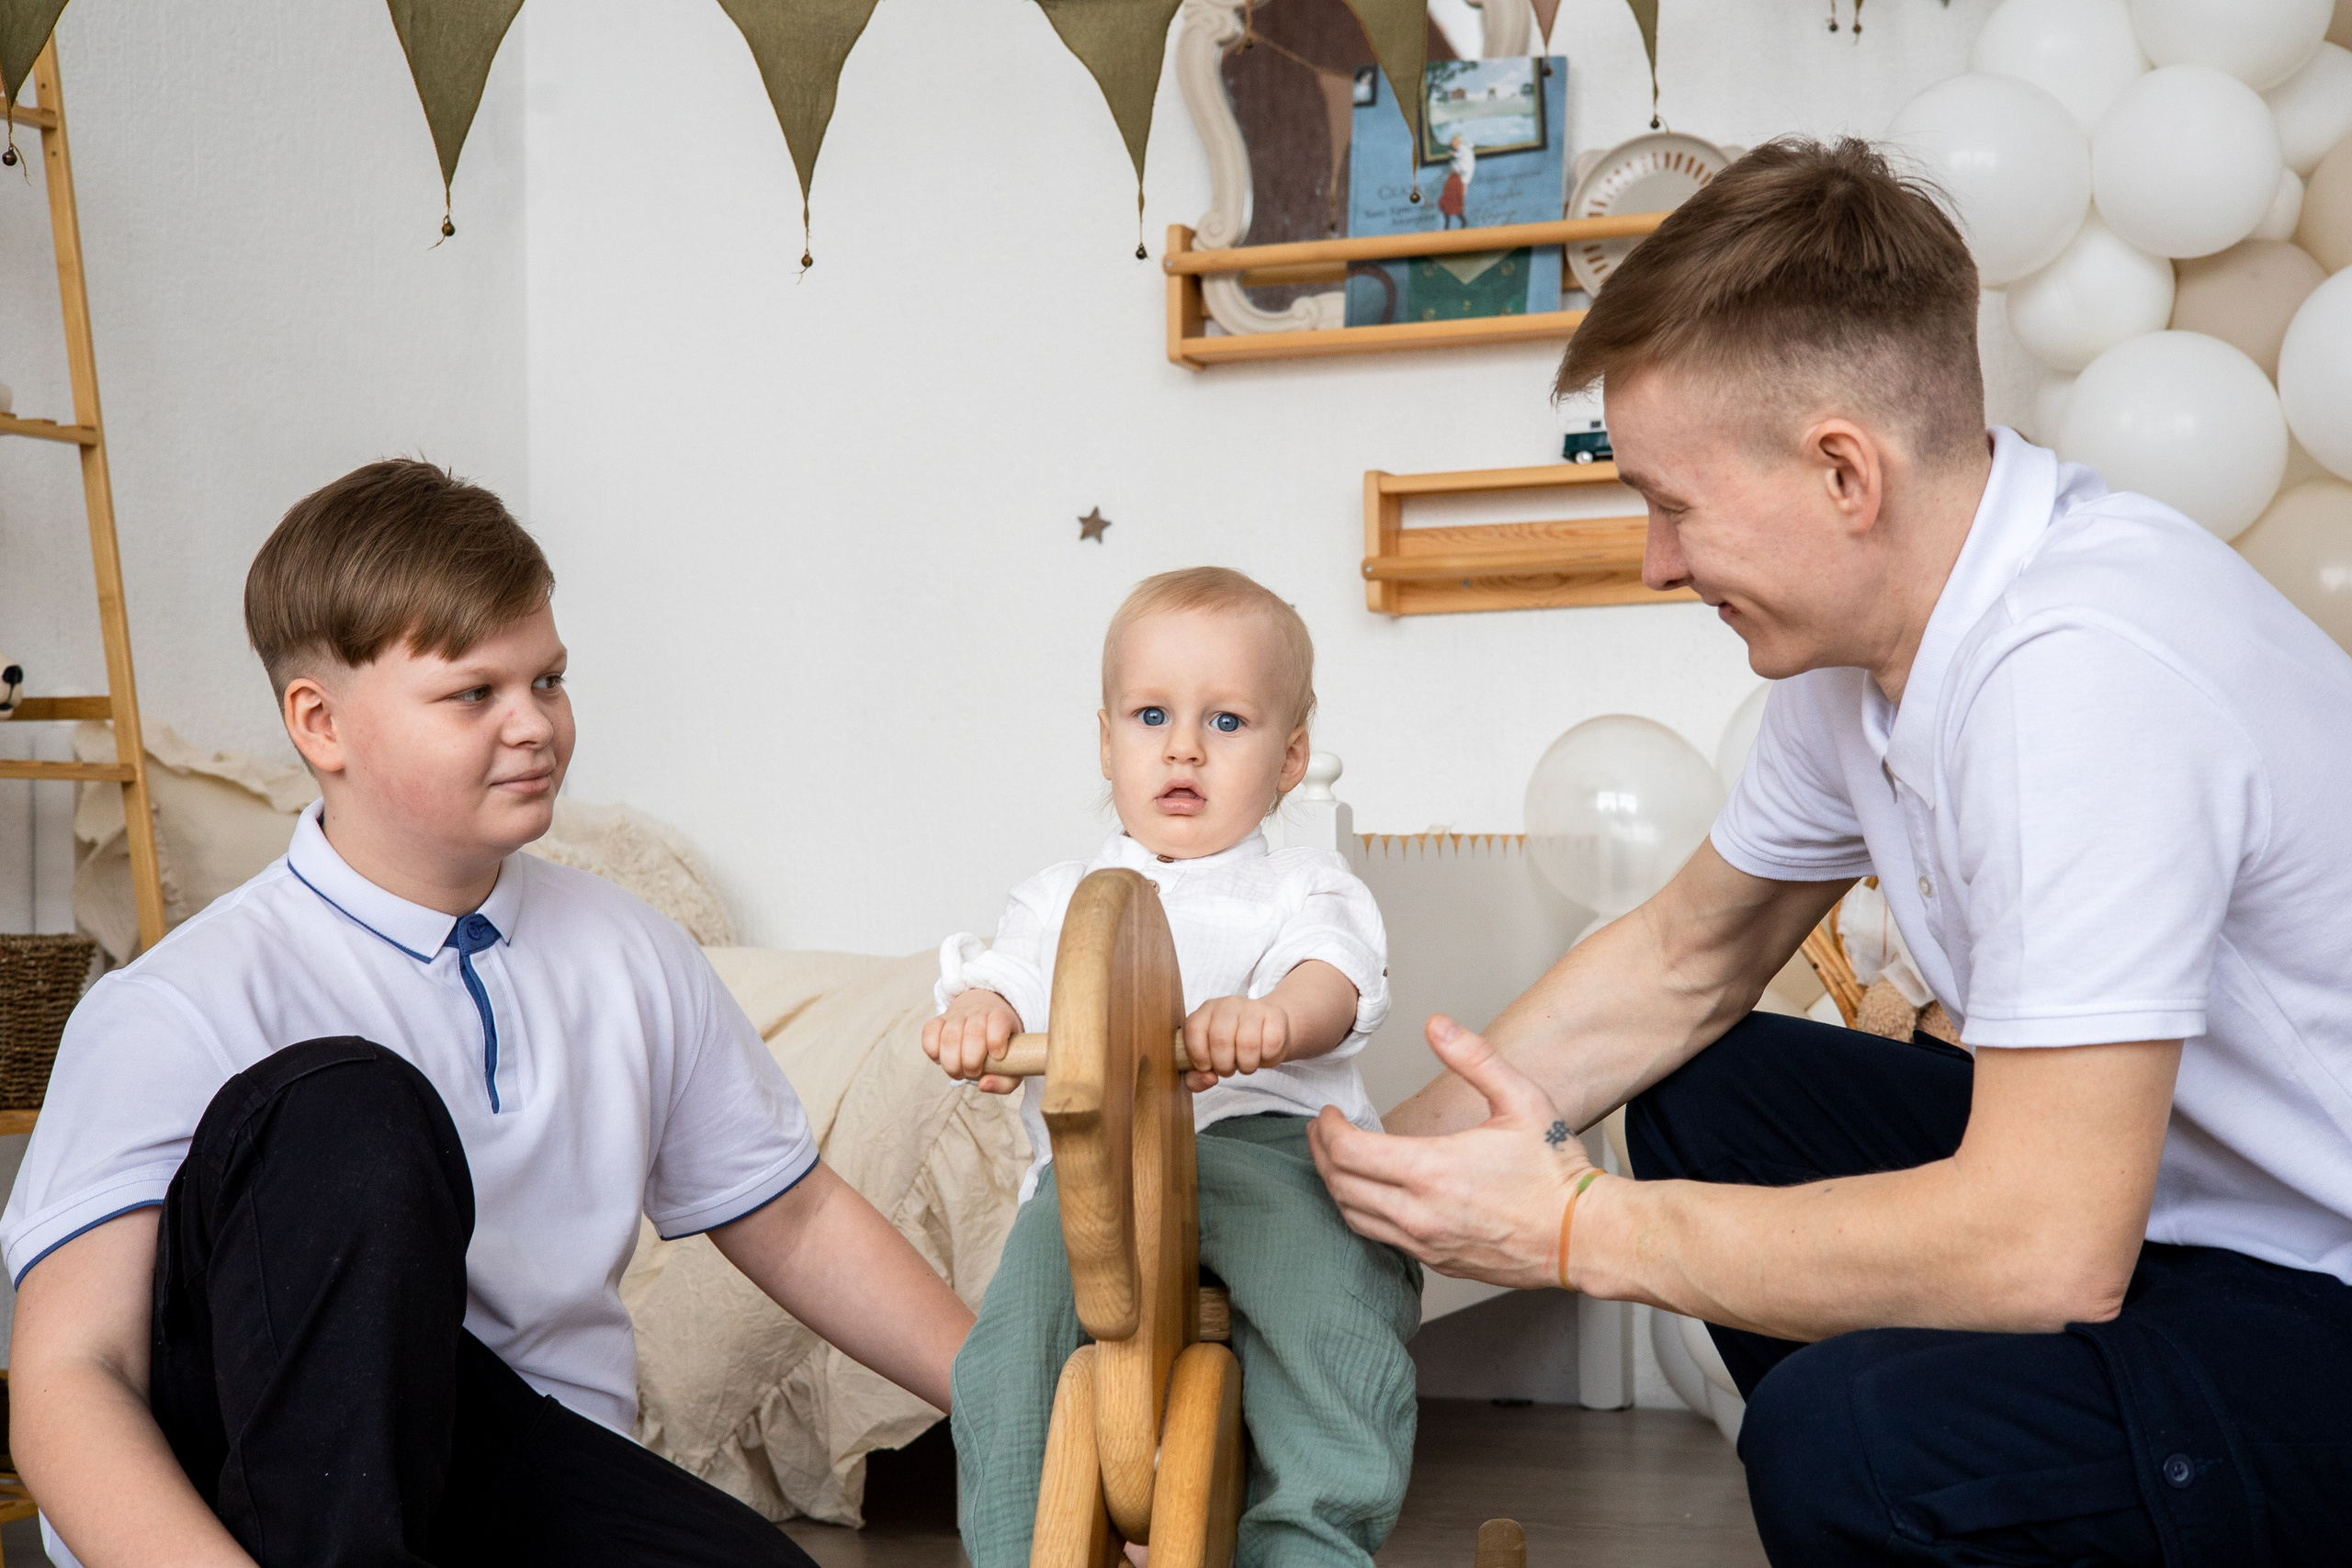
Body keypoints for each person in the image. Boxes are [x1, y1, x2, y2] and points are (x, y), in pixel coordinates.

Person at [1307, 138, 2352, 1566]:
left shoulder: (2080, 681)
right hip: (2170, 1214)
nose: (1656, 561)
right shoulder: (1867, 649)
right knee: (1715, 1088)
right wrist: (1361, 1189)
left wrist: (1573, 1231)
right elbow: (1688, 958)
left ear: (1844, 471)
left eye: (1672, 503)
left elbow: (2044, 1243)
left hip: (2314, 1284)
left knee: (1851, 1443)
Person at [2, 460, 977, 1568]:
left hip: (524, 1461)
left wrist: (1029, 1414)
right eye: (476, 694)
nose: (535, 726)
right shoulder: (178, 1007)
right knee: (348, 1103)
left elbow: (795, 1221)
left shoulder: (632, 951)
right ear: (321, 724)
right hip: (252, 1503)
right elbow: (76, 1377)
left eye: (548, 681)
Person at [928, 568, 1419, 1568]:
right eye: (1151, 715)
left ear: (1289, 759)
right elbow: (1014, 976)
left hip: (1266, 1148)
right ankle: (1017, 1545)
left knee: (1331, 1313)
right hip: (1096, 1176)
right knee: (1001, 1354)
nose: (1184, 746)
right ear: (1107, 742)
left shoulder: (1299, 885)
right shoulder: (1062, 896)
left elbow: (1333, 974)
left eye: (1227, 721)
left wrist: (1276, 1017)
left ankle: (1313, 1539)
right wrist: (982, 1014)